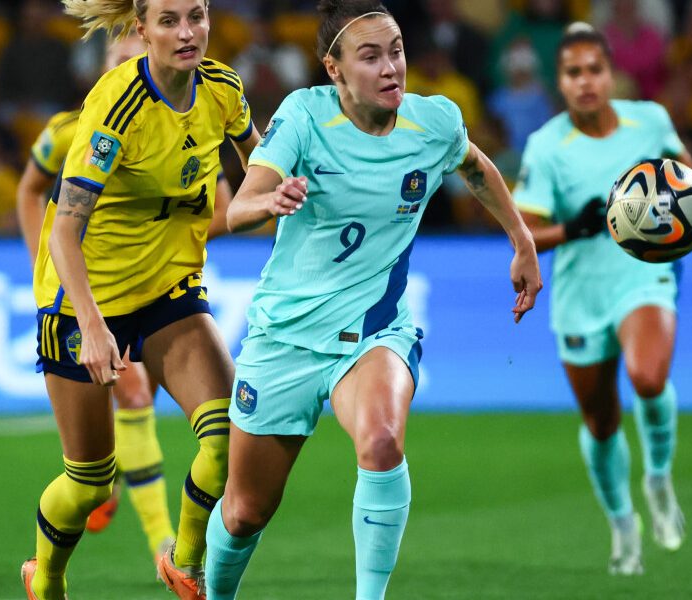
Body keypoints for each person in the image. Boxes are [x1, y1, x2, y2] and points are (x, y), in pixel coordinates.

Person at [203, 2, 542, 599]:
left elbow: (476, 166)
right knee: (244, 512)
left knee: (382, 440)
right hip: (285, 337)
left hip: (373, 329)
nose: (391, 68)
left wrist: (522, 240)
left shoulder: (433, 122)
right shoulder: (305, 116)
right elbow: (238, 205)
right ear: (333, 69)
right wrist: (271, 199)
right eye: (371, 56)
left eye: (397, 51)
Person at [19, 1, 260, 598]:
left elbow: (260, 169)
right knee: (92, 482)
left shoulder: (223, 89)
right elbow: (64, 232)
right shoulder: (115, 107)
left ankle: (183, 557)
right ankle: (44, 574)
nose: (187, 32)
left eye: (197, 16)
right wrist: (96, 328)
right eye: (171, 20)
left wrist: (279, 194)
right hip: (84, 299)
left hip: (168, 289)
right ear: (143, 29)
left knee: (226, 435)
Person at [511, 22, 692, 575]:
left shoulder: (648, 121)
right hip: (581, 294)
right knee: (601, 423)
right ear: (560, 82)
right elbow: (525, 230)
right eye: (573, 73)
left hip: (642, 278)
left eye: (594, 70)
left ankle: (657, 478)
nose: (586, 82)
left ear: (611, 74)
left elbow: (686, 178)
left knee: (649, 377)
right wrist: (573, 229)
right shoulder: (547, 146)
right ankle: (623, 523)